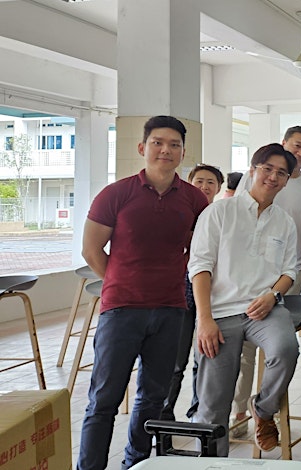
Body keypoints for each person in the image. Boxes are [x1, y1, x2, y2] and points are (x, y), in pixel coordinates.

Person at [78, 116, 209, 470]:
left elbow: (202, 250)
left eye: (174, 145)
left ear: (183, 152)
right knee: (104, 399)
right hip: (121, 310)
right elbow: (91, 250)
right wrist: (122, 281)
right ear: (142, 147)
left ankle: (135, 463)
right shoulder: (116, 194)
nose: (166, 150)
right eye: (157, 143)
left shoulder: (194, 199)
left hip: (171, 309)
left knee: (152, 398)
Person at [189, 143, 300, 455]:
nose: (273, 177)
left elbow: (290, 270)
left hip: (265, 309)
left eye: (281, 173)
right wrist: (204, 320)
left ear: (286, 181)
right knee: (214, 403)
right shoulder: (219, 212)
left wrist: (273, 295)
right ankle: (213, 462)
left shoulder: (284, 222)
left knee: (286, 349)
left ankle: (263, 409)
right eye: (267, 169)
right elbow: (200, 267)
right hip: (220, 312)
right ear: (253, 170)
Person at [230, 126, 301, 437]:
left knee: (279, 346)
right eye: (297, 145)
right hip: (246, 276)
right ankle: (239, 410)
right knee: (244, 347)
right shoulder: (256, 176)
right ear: (283, 143)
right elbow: (237, 220)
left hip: (286, 277)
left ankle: (267, 409)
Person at [161, 164, 224, 421]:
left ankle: (198, 414)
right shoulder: (179, 215)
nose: (204, 186)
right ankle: (164, 416)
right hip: (179, 295)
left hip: (213, 297)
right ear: (189, 183)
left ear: (219, 188)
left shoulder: (222, 216)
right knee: (175, 361)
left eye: (211, 182)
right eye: (199, 181)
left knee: (205, 357)